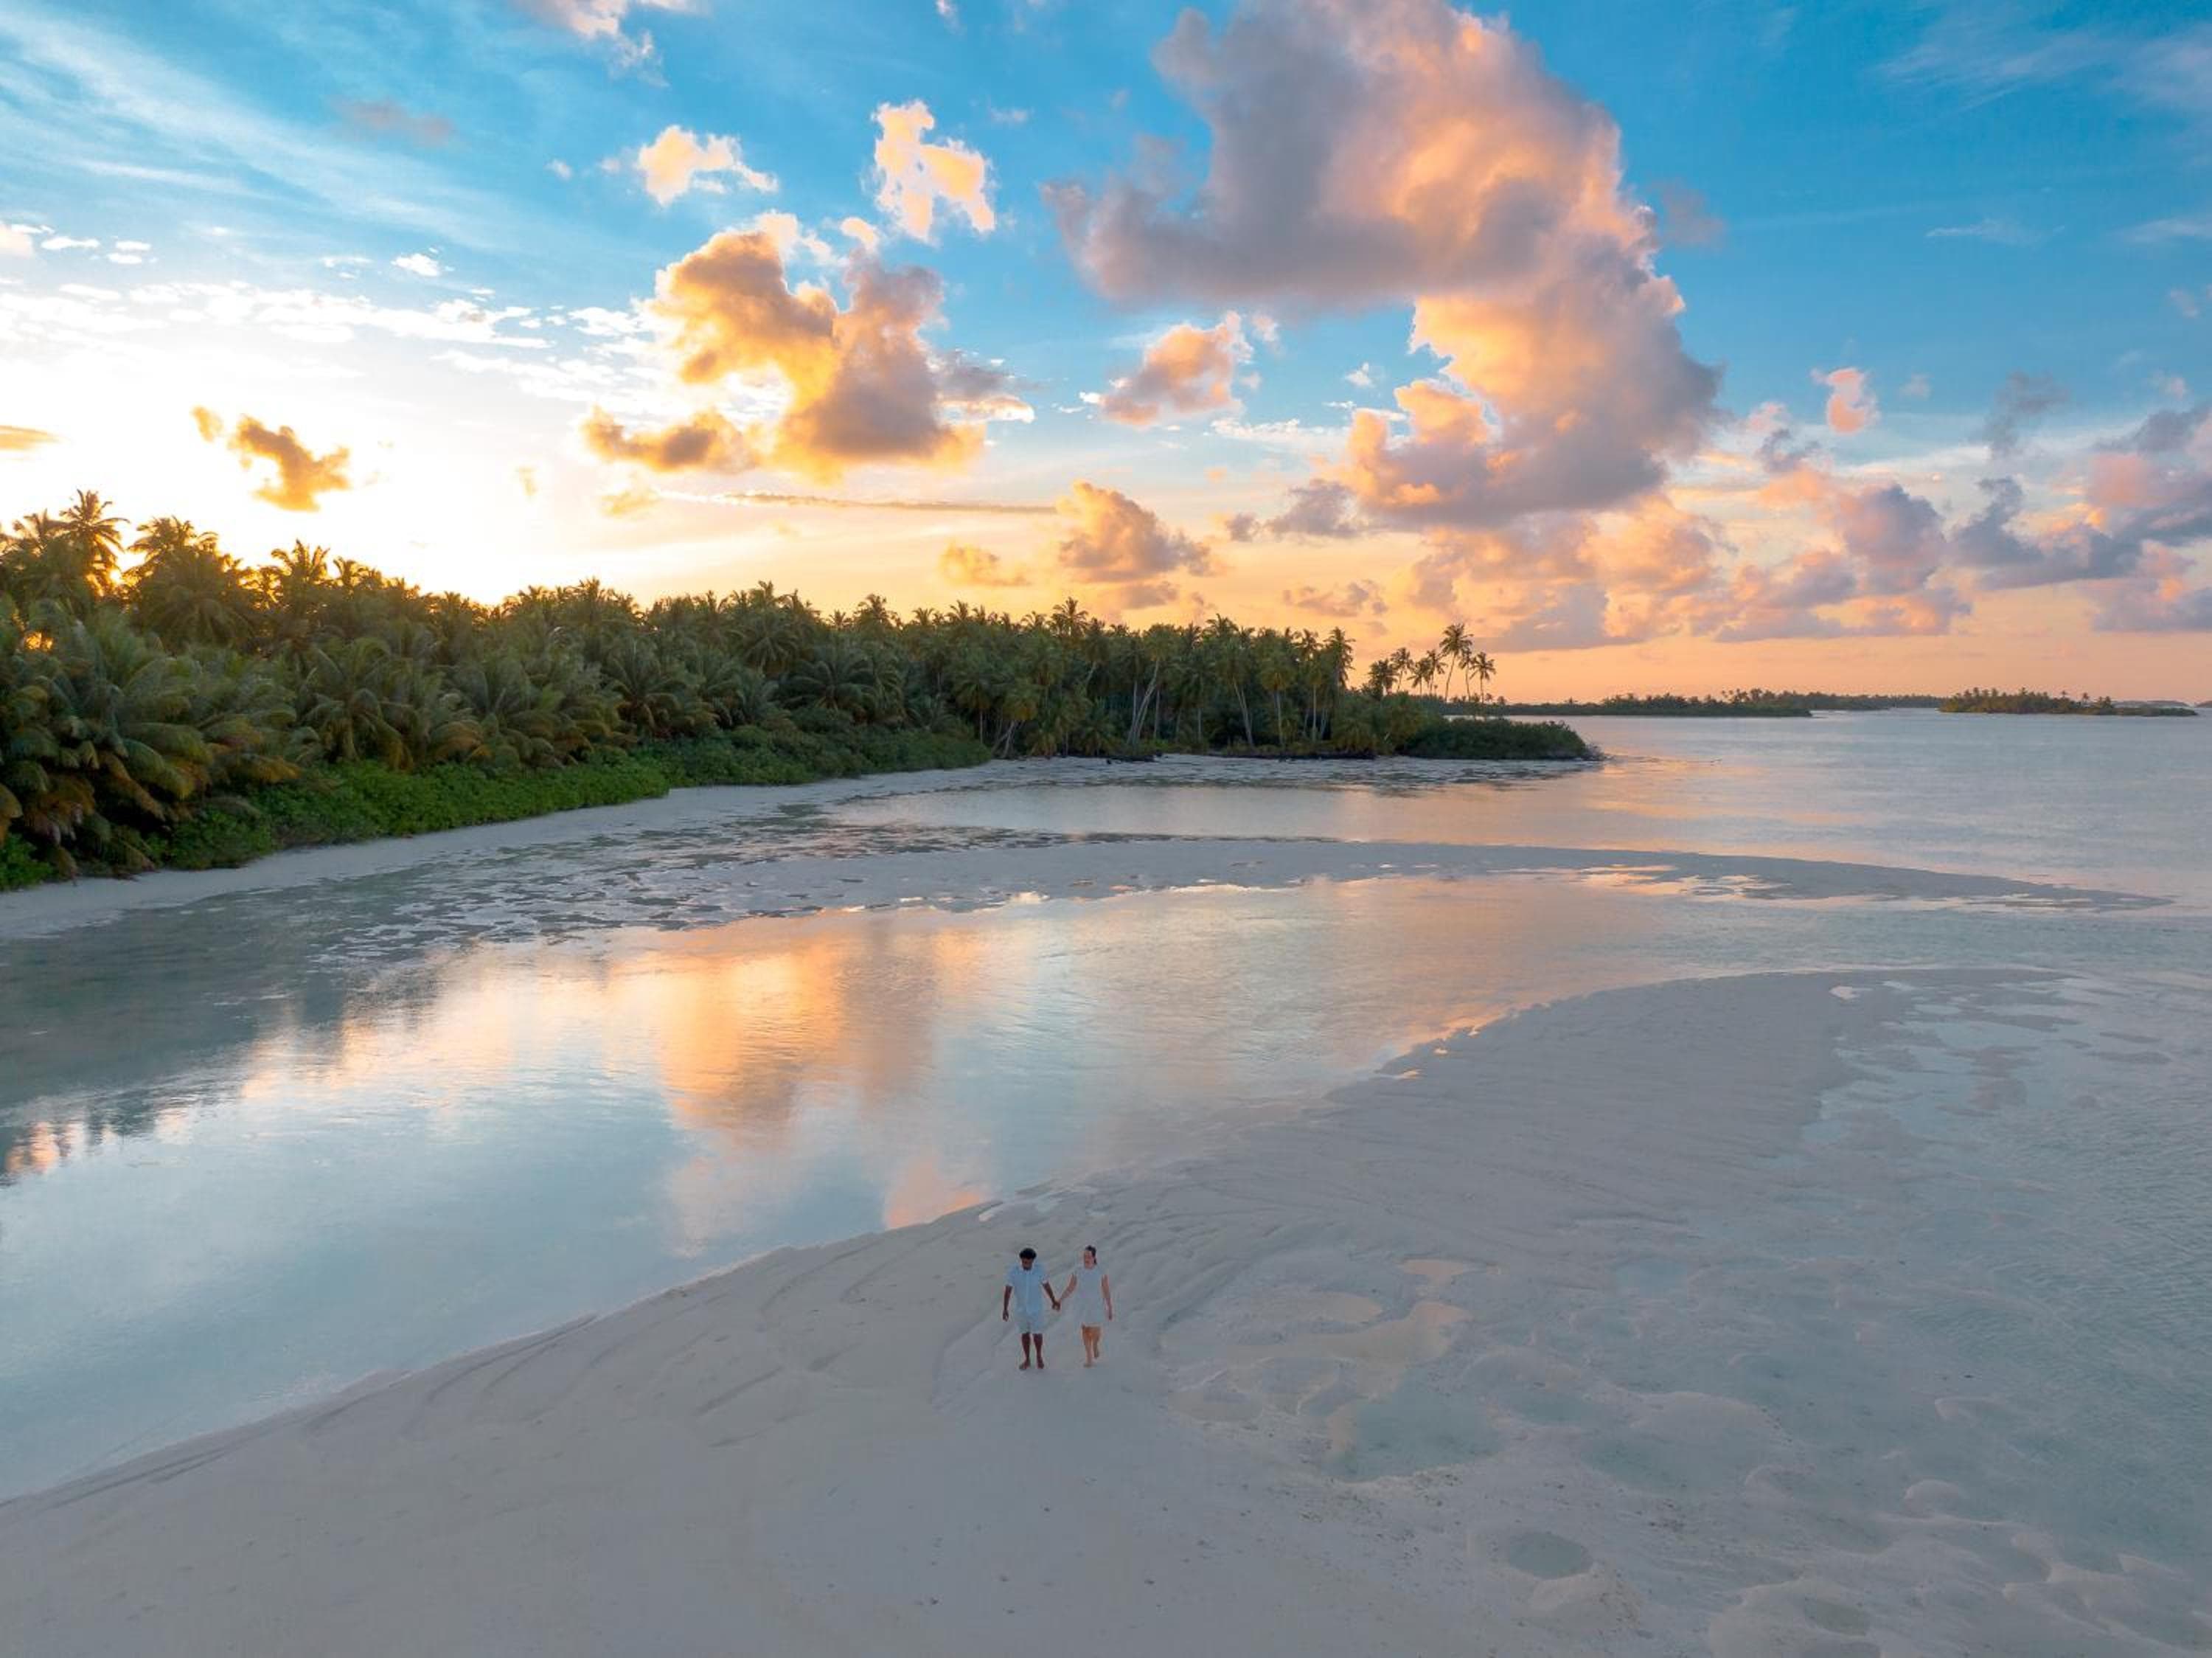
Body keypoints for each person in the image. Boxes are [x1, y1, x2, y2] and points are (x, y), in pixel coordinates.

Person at [1001, 1246, 1059, 1370]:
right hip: (1021, 1310)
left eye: (1028, 1262)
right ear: (1021, 1260)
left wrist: (1054, 1300)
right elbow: (1008, 1290)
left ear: (1033, 1261)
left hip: (1036, 1310)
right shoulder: (1014, 1271)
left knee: (1037, 1334)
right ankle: (1027, 1359)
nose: (1025, 1264)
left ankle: (1039, 1355)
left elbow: (1046, 1286)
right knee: (1024, 1334)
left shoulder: (1039, 1270)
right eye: (1023, 1262)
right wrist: (1005, 1309)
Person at [1056, 1245, 1113, 1367]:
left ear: (1094, 1257)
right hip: (1081, 1305)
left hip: (1096, 1305)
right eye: (1084, 1256)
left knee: (1096, 1332)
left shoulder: (1100, 1271)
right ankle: (1089, 1358)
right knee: (1085, 1330)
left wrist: (1110, 1307)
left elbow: (1106, 1290)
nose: (1086, 1259)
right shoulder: (1078, 1271)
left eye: (1088, 1256)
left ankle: (1095, 1344)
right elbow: (1070, 1288)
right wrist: (1060, 1300)